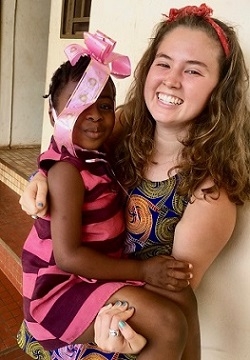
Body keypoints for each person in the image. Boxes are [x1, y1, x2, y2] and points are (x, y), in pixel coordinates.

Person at [19, 3, 250, 359]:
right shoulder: (122, 124)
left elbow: (170, 287)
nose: (171, 80)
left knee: (178, 301)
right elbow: (67, 139)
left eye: (193, 70)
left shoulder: (208, 194)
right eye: (164, 62)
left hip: (124, 316)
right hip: (68, 290)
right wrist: (42, 175)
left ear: (219, 89)